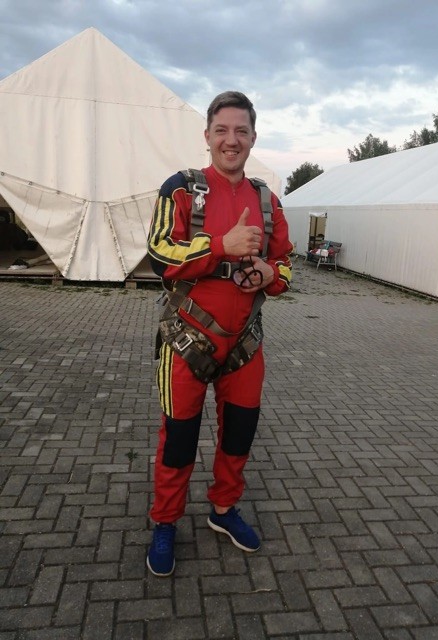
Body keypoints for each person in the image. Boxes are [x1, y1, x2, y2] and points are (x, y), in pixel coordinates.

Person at [146, 90, 293, 576]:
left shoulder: (267, 200)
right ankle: (165, 521)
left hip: (245, 345)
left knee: (239, 435)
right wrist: (219, 246)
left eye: (241, 131)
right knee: (179, 439)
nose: (232, 140)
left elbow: (286, 262)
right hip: (186, 341)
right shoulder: (181, 190)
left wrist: (270, 276)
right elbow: (159, 254)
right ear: (207, 136)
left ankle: (223, 509)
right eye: (222, 131)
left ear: (253, 138)